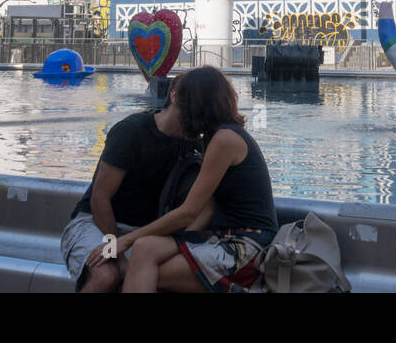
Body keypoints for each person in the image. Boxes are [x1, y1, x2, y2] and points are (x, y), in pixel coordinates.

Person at [104, 67, 278, 293]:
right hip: (220, 235)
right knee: (144, 249)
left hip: (246, 246)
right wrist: (180, 241)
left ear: (196, 104)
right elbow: (206, 209)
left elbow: (189, 211)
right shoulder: (217, 137)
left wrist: (123, 242)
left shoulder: (224, 140)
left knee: (142, 269)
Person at [61, 96, 196, 292]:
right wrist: (118, 254)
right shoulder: (131, 131)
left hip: (143, 233)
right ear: (175, 96)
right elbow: (100, 198)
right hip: (95, 223)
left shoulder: (192, 142)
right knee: (106, 275)